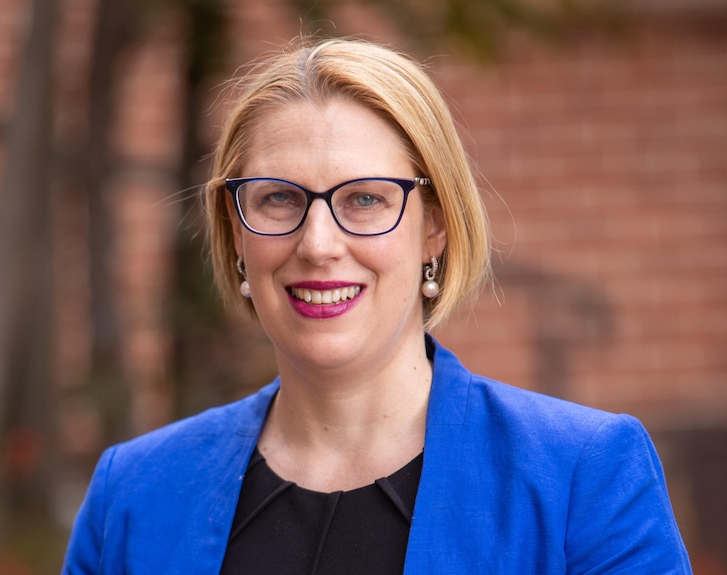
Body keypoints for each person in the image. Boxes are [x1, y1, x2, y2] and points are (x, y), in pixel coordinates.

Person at [61, 38, 691, 574]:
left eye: (365, 199)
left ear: (434, 227)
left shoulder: (582, 478)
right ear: (235, 229)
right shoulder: (135, 495)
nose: (318, 245)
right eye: (278, 198)